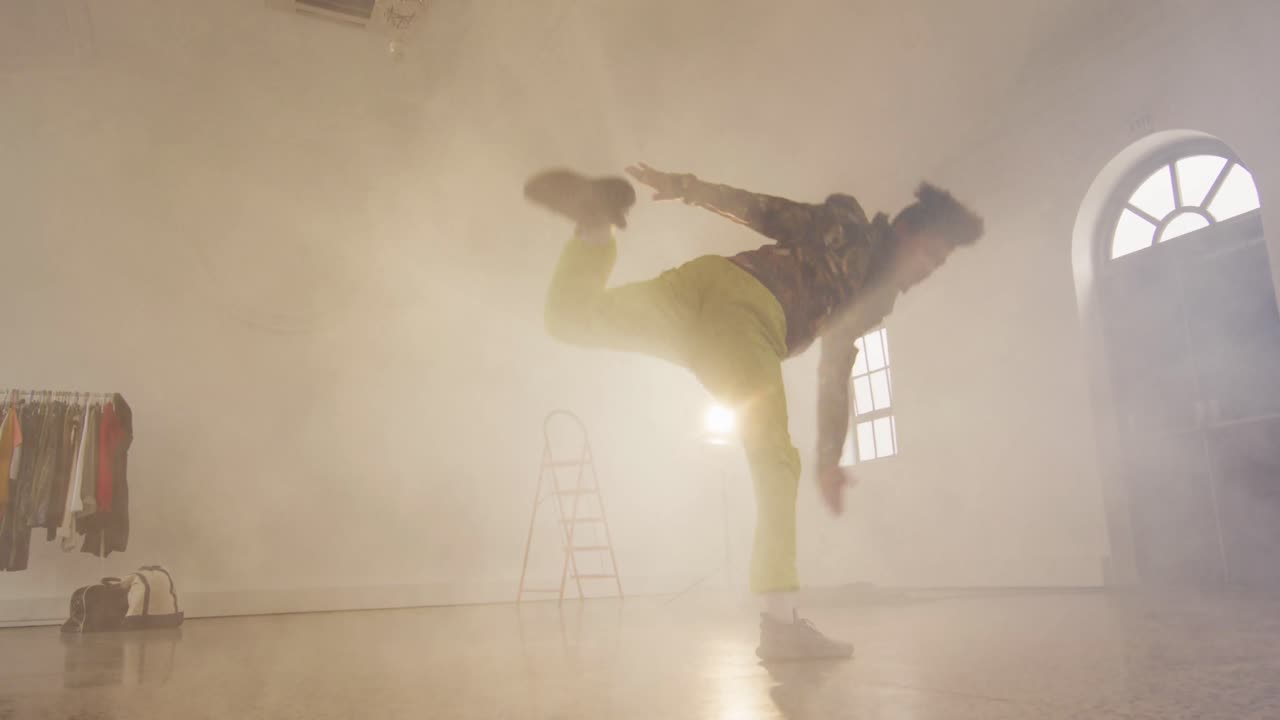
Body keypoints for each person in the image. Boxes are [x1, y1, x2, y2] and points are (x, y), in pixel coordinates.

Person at [524, 164, 982, 661]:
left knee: (572, 319)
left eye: (939, 263)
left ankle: (596, 224)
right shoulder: (849, 226)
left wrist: (830, 457)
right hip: (749, 315)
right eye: (931, 254)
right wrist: (692, 190)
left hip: (703, 292)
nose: (929, 269)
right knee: (777, 461)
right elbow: (771, 213)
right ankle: (782, 625)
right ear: (906, 230)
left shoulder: (873, 302)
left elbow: (835, 375)